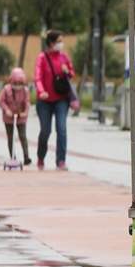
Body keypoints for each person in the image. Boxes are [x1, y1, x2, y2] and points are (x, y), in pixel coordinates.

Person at [33, 30, 78, 170]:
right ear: (51, 43)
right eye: (58, 41)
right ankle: (41, 156)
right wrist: (42, 91)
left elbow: (71, 73)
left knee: (61, 129)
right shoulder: (42, 58)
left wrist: (67, 72)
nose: (61, 44)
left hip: (61, 100)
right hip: (44, 101)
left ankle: (61, 160)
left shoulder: (64, 57)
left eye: (61, 41)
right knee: (46, 131)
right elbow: (37, 77)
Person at [0, 68, 32, 165]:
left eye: (19, 83)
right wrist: (6, 110)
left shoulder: (25, 90)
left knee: (23, 136)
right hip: (9, 117)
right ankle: (13, 156)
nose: (17, 86)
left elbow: (27, 102)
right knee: (11, 137)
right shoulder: (6, 89)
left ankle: (26, 156)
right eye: (15, 83)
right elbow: (0, 101)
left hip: (21, 116)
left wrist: (25, 112)